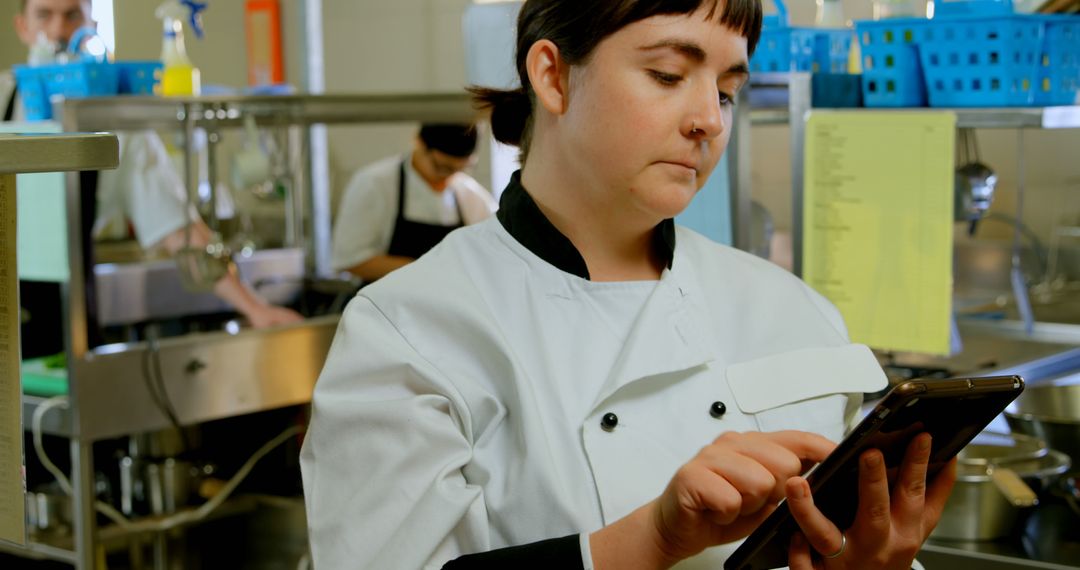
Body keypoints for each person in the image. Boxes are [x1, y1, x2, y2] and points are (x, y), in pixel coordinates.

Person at [300, 1, 957, 569]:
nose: (709, 119)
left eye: (726, 90)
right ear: (553, 76)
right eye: (668, 74)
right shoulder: (411, 331)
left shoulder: (792, 308)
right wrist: (651, 539)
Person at [3, 0, 302, 331]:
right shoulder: (3, 96)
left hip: (66, 317)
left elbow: (178, 228)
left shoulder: (116, 123)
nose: (59, 30)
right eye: (45, 15)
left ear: (93, 25)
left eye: (72, 15)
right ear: (23, 27)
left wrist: (254, 307)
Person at [330, 123, 497, 282]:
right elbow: (350, 260)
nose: (449, 176)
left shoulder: (472, 196)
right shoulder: (375, 184)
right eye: (441, 167)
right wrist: (428, 271)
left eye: (459, 169)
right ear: (418, 142)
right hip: (385, 305)